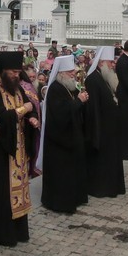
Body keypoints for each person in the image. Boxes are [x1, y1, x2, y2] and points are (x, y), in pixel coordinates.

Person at [0, 51, 38, 248]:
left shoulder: (16, 89)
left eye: (18, 72)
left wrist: (32, 117)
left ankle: (18, 232)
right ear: (3, 71)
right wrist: (24, 111)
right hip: (0, 151)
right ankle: (3, 235)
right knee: (2, 194)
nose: (16, 75)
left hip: (18, 148)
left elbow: (29, 106)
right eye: (13, 72)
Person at [37, 55, 89, 214]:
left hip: (70, 137)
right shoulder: (55, 89)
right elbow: (62, 114)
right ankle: (60, 202)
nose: (74, 73)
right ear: (61, 73)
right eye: (70, 71)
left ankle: (76, 197)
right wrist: (79, 101)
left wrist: (81, 101)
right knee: (62, 175)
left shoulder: (69, 86)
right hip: (59, 141)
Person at [83, 46, 125, 198]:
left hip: (111, 129)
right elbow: (93, 109)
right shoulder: (93, 79)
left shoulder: (105, 77)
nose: (113, 65)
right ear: (101, 63)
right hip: (101, 129)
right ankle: (101, 188)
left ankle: (113, 186)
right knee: (102, 162)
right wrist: (96, 133)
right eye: (110, 62)